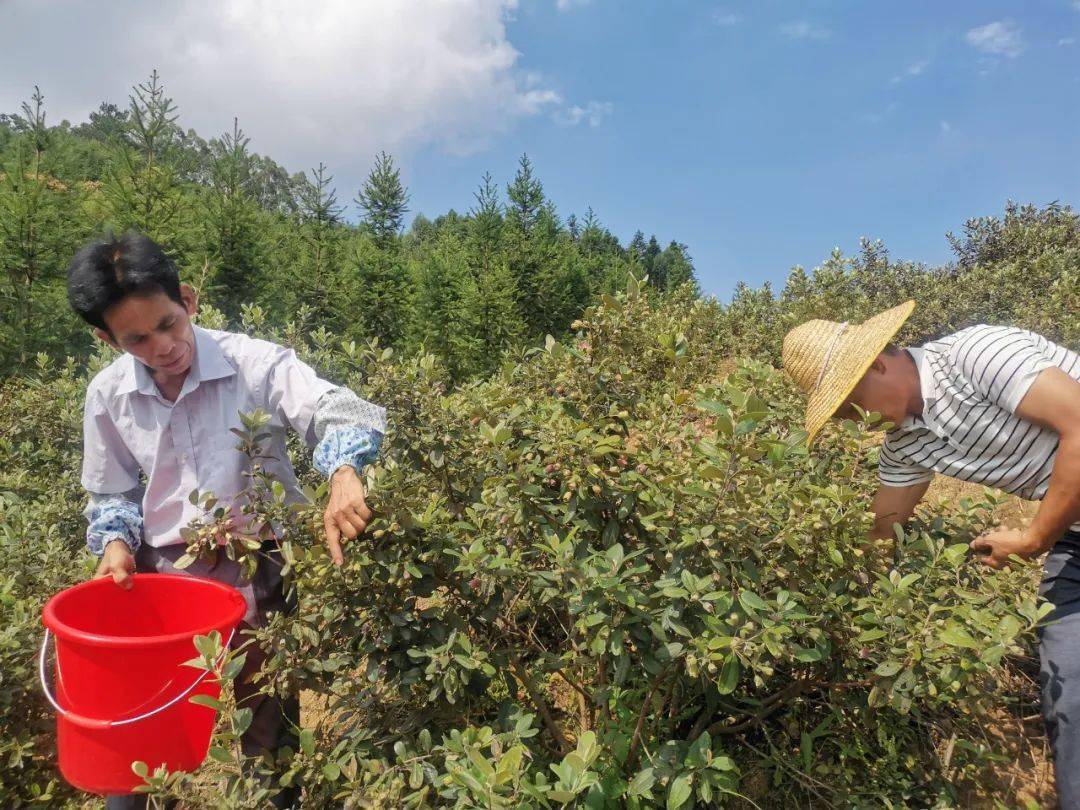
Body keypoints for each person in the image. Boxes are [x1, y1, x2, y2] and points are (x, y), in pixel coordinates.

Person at [67, 231, 387, 809]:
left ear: (188, 300)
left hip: (260, 568)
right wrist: (114, 541)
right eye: (137, 339)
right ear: (106, 338)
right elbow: (112, 491)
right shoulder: (108, 395)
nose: (163, 347)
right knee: (141, 741)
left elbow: (337, 408)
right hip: (163, 582)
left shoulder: (256, 364)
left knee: (268, 735)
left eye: (168, 324)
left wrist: (344, 471)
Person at [781, 300, 1080, 804]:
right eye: (842, 416)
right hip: (1074, 535)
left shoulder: (977, 353)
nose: (857, 421)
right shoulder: (904, 445)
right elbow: (881, 535)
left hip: (1058, 532)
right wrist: (825, 609)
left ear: (877, 364)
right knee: (1068, 689)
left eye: (851, 404)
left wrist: (1033, 538)